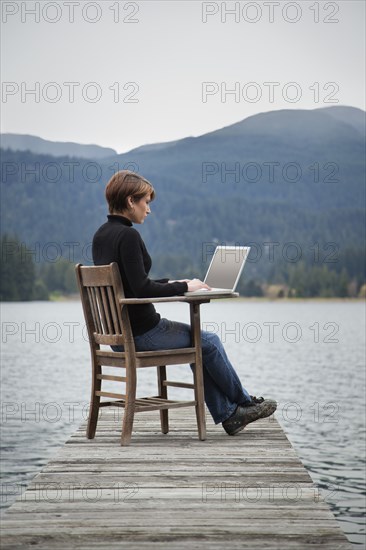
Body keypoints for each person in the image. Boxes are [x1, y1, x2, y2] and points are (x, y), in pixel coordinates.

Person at [92, 170, 277, 435]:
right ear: (131, 201)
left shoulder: (101, 235)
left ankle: (230, 414)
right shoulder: (128, 236)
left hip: (118, 339)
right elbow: (142, 289)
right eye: (146, 202)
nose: (149, 210)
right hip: (142, 334)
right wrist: (184, 287)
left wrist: (174, 282)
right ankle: (243, 404)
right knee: (208, 342)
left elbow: (131, 282)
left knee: (200, 345)